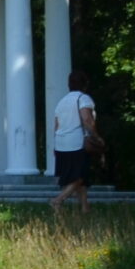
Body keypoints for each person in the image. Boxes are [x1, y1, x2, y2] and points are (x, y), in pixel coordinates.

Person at [51, 73, 103, 215]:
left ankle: (85, 208)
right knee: (80, 177)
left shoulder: (61, 102)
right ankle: (58, 200)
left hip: (61, 144)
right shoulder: (83, 99)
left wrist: (55, 145)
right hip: (77, 143)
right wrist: (97, 137)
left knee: (80, 179)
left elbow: (57, 125)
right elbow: (87, 120)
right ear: (85, 85)